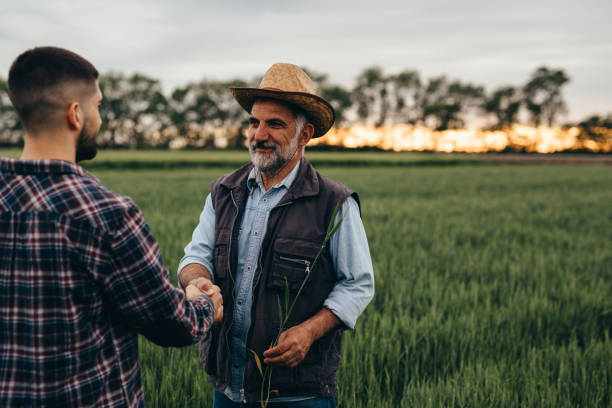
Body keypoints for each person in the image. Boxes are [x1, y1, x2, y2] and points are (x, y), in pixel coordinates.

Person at [0, 46, 223, 407]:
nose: (100, 119)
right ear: (75, 113)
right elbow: (171, 323)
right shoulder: (106, 213)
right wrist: (204, 305)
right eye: (98, 106)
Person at [178, 63, 374, 407]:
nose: (259, 134)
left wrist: (309, 332)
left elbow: (358, 283)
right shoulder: (224, 191)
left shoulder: (334, 202)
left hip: (299, 394)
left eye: (275, 124)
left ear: (305, 134)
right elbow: (196, 256)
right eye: (254, 122)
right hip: (228, 387)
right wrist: (196, 282)